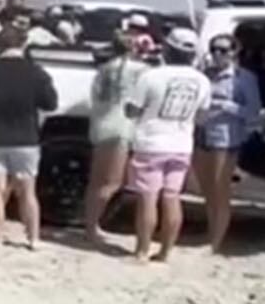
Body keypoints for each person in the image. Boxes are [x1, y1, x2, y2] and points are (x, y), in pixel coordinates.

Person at [0, 27, 59, 249]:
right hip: (25, 137)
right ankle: (33, 238)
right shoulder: (36, 73)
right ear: (23, 44)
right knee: (27, 191)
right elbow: (50, 104)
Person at [126, 29, 211, 263]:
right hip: (182, 145)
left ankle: (142, 251)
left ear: (168, 49)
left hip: (151, 143)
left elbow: (131, 110)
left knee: (148, 197)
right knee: (172, 197)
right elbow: (203, 116)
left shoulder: (150, 76)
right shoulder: (203, 81)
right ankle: (165, 252)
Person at [196, 33, 261, 253]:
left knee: (220, 190)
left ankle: (215, 242)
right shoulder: (205, 74)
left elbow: (253, 113)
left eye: (223, 50)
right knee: (206, 189)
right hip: (202, 135)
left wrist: (227, 106)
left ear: (234, 52)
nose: (217, 54)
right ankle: (210, 233)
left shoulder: (244, 78)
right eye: (214, 49)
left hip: (226, 137)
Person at [82, 34, 149, 245]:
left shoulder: (103, 70)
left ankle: (90, 224)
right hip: (122, 128)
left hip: (102, 125)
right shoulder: (141, 71)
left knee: (96, 181)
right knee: (111, 183)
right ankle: (91, 227)